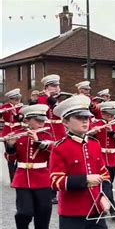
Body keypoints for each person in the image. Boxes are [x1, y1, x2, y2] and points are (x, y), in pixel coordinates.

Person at [50, 95, 112, 229]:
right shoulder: (60, 148)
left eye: (87, 118)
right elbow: (55, 181)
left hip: (95, 210)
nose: (86, 122)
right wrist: (84, 180)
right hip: (72, 213)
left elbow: (104, 174)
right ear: (65, 122)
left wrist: (105, 197)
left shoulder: (94, 144)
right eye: (79, 118)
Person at [5, 104, 53, 229]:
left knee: (43, 214)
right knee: (24, 212)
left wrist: (39, 141)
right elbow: (11, 159)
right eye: (38, 121)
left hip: (43, 178)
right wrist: (10, 147)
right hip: (23, 179)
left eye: (42, 120)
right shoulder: (18, 134)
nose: (41, 123)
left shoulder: (47, 135)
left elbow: (54, 153)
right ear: (28, 120)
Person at [89, 101, 115, 216]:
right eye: (108, 114)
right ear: (103, 113)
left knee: (108, 185)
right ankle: (112, 208)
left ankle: (101, 206)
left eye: (112, 115)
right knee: (106, 185)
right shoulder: (96, 124)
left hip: (112, 159)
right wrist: (93, 133)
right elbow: (87, 140)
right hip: (99, 159)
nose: (110, 117)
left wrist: (113, 133)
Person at [38, 74, 65, 205]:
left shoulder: (60, 99)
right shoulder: (41, 99)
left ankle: (56, 189)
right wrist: (47, 97)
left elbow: (61, 110)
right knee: (47, 163)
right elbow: (41, 113)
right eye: (54, 86)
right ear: (47, 87)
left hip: (59, 133)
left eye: (57, 85)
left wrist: (51, 98)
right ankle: (49, 192)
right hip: (47, 133)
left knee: (58, 163)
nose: (57, 88)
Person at [1, 88, 23, 182]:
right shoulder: (5, 106)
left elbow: (21, 119)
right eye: (15, 99)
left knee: (19, 154)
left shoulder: (21, 108)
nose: (17, 101)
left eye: (18, 99)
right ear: (10, 99)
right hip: (7, 132)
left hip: (18, 131)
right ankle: (12, 178)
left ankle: (17, 174)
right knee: (10, 155)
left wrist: (15, 114)